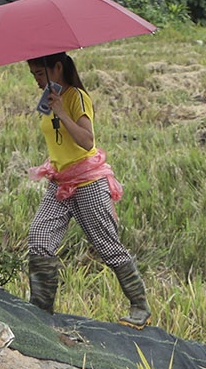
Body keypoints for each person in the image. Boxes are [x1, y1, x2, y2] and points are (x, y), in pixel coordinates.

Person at [24, 51, 150, 328]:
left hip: (87, 181)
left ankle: (139, 306)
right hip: (60, 180)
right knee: (39, 237)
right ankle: (41, 311)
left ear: (57, 67)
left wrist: (61, 112)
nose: (36, 81)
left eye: (40, 74)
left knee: (107, 245)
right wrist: (52, 107)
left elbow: (86, 139)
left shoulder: (77, 97)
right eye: (33, 75)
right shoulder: (48, 98)